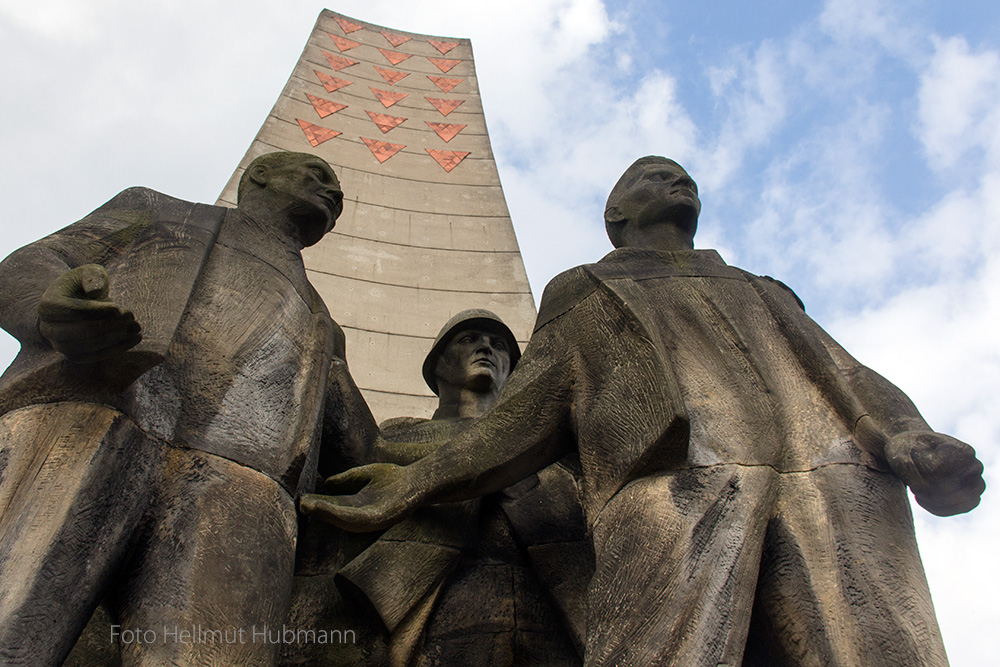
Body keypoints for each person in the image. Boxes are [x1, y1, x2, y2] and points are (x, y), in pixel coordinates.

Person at [302, 157, 986, 666]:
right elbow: (524, 419)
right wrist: (415, 481)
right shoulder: (583, 289)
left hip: (829, 493)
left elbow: (846, 375)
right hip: (675, 496)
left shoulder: (763, 290)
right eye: (654, 175)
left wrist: (906, 435)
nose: (676, 180)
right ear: (617, 216)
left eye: (681, 174)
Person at [0, 151, 356, 666]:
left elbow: (364, 449)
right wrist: (49, 309)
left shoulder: (326, 328)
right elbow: (31, 264)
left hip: (245, 497)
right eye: (319, 176)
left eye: (338, 190)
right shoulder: (158, 212)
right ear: (260, 176)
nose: (335, 194)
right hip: (101, 419)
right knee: (16, 616)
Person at [327, 309, 587, 666]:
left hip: (554, 604)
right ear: (438, 366)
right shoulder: (399, 434)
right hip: (446, 602)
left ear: (513, 372)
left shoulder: (550, 447)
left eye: (498, 346)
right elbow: (358, 455)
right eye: (469, 340)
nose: (486, 348)